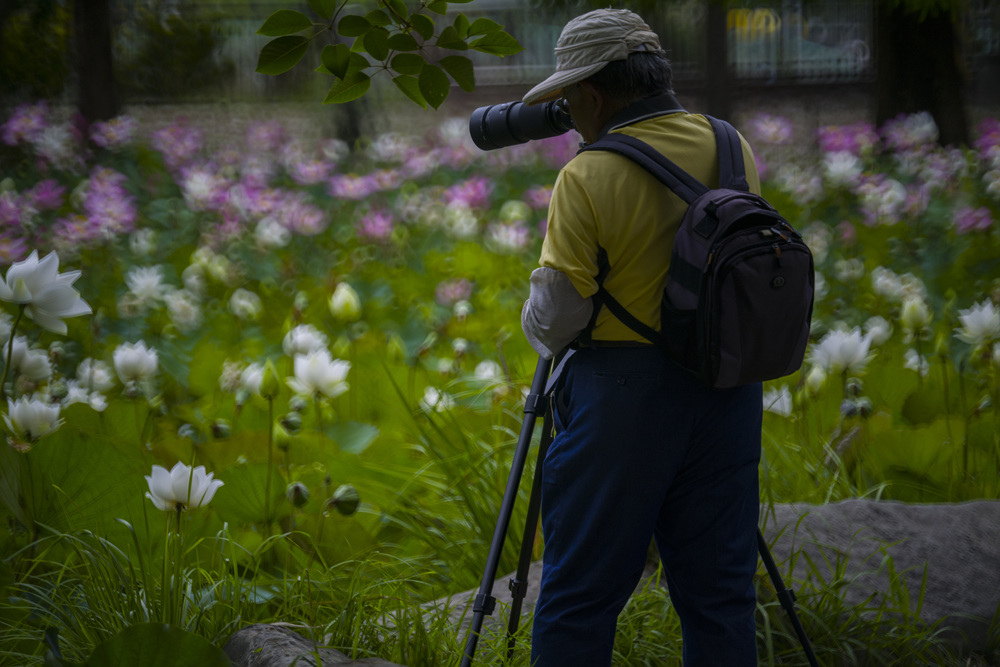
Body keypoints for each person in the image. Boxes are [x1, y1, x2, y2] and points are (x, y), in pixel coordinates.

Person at [519, 8, 763, 667]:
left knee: (578, 598)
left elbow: (559, 316)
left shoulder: (588, 175)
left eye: (569, 102)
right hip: (728, 390)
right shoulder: (730, 144)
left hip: (623, 401)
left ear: (593, 94)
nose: (570, 115)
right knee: (721, 599)